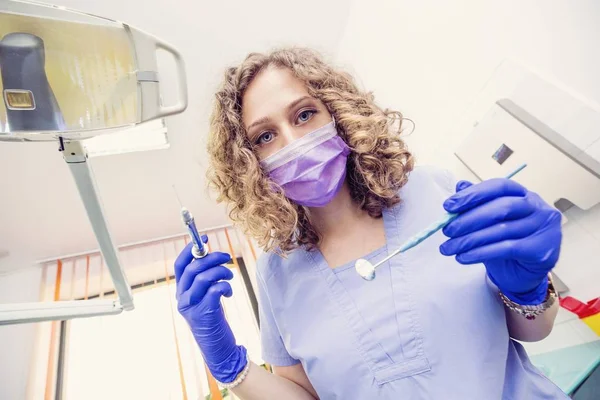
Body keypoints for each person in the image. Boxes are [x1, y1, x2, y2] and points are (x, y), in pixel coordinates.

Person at [173, 48, 567, 399]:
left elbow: (532, 330)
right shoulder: (277, 273)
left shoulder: (435, 191)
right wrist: (230, 366)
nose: (293, 142)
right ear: (249, 162)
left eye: (305, 114)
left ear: (338, 114)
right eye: (265, 136)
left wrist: (529, 286)